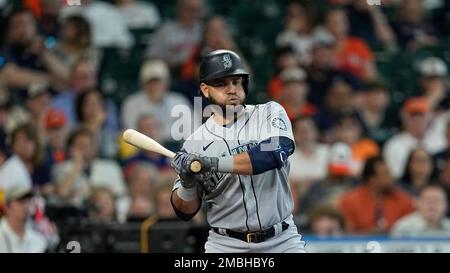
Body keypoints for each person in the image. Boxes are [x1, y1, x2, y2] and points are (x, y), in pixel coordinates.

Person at [170, 49, 306, 253]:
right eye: (222, 83)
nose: (231, 89)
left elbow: (272, 155)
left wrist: (212, 163)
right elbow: (185, 212)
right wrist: (187, 182)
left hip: (281, 241)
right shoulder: (194, 143)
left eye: (236, 81)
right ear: (205, 90)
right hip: (226, 245)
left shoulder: (268, 113)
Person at [339, 156, 415, 234]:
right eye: (386, 174)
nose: (391, 177)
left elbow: (411, 231)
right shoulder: (350, 201)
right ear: (372, 180)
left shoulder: (404, 200)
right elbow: (346, 235)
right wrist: (371, 235)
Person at [0, 184, 47, 253]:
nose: (26, 205)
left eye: (28, 201)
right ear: (7, 207)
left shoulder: (39, 240)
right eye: (20, 201)